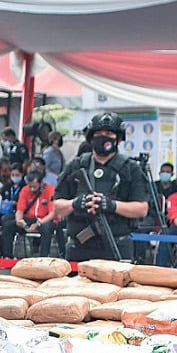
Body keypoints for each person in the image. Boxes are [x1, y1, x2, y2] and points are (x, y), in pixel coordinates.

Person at [52, 111, 150, 263]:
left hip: (116, 244)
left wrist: (111, 205)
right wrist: (77, 203)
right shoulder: (76, 166)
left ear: (118, 139)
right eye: (98, 133)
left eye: (109, 133)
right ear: (91, 138)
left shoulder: (130, 168)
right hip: (79, 247)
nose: (103, 137)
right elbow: (57, 206)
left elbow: (141, 209)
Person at [14, 171, 61, 258]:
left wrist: (39, 223)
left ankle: (43, 256)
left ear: (41, 183)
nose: (32, 189)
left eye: (34, 187)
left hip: (46, 219)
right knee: (8, 223)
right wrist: (19, 220)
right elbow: (20, 210)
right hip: (29, 218)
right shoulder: (25, 190)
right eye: (30, 186)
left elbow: (52, 213)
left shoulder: (50, 190)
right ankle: (7, 256)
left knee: (46, 227)